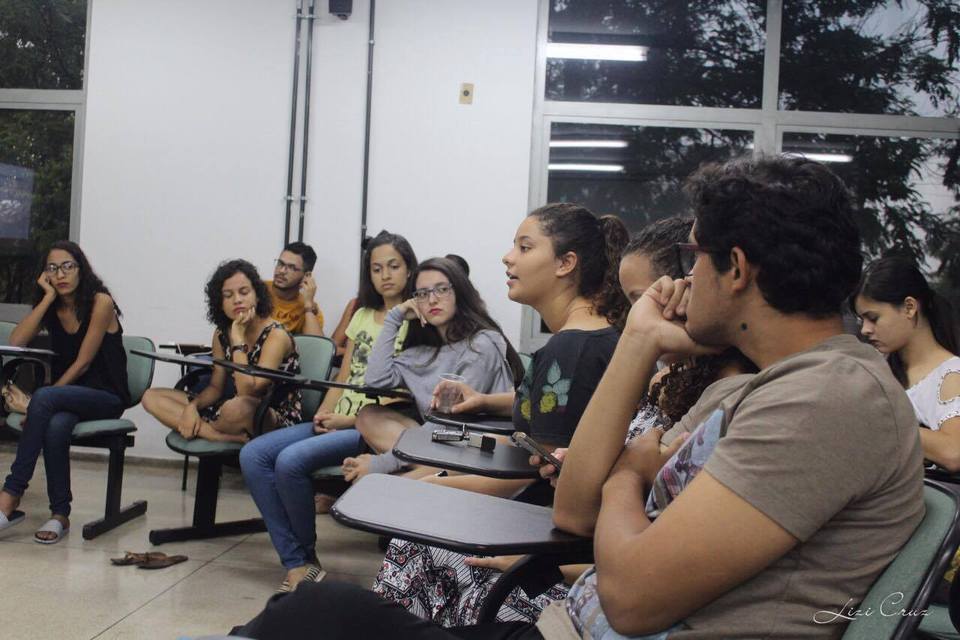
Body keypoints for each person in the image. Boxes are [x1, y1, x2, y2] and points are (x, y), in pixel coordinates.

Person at [232, 155, 924, 640]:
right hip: (564, 622)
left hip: (589, 625)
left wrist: (629, 470)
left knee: (307, 618)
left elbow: (632, 596)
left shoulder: (829, 398)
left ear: (736, 269)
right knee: (304, 615)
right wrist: (639, 342)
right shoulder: (758, 389)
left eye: (698, 258)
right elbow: (573, 508)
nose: (685, 278)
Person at [372, 216, 755, 628]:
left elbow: (588, 516)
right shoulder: (671, 377)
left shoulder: (577, 350)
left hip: (570, 552)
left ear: (565, 263)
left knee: (412, 543)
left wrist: (620, 474)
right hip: (576, 538)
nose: (633, 315)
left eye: (524, 246)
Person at [343, 203, 628, 485]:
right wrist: (483, 400)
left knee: (412, 481)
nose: (508, 257)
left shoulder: (568, 349)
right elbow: (550, 410)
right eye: (422, 293)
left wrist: (428, 487)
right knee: (372, 419)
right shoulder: (577, 341)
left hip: (514, 496)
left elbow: (539, 477)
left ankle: (413, 476)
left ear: (565, 263)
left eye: (524, 248)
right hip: (473, 442)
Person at [238, 231, 418, 592]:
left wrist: (347, 421)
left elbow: (408, 397)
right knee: (253, 454)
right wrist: (322, 414)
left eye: (393, 267)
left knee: (290, 461)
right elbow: (344, 374)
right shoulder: (363, 314)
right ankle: (300, 562)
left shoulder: (417, 321)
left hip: (374, 428)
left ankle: (300, 562)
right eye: (376, 268)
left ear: (410, 269)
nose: (385, 275)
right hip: (338, 419)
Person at [339, 256, 524, 480]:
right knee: (367, 416)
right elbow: (375, 380)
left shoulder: (482, 343)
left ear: (459, 293)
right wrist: (395, 318)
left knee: (383, 487)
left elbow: (453, 422)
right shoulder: (419, 353)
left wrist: (383, 462)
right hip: (439, 440)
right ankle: (419, 470)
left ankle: (405, 476)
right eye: (423, 294)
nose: (432, 300)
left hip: (479, 444)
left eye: (442, 289)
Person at [0, 241, 129, 544]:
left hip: (106, 396)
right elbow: (16, 341)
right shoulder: (55, 307)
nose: (61, 274)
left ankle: (9, 496)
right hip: (66, 398)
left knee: (44, 400)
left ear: (81, 269)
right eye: (52, 268)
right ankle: (60, 514)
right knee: (56, 426)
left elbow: (83, 363)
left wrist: (36, 404)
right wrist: (46, 299)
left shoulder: (101, 302)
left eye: (68, 266)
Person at [142, 260, 301, 443]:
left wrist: (238, 340)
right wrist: (192, 407)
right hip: (229, 407)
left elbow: (247, 392)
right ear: (220, 303)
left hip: (269, 415)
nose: (237, 300)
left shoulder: (276, 336)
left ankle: (207, 430)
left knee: (236, 407)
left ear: (257, 296)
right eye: (228, 295)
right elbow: (216, 388)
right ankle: (213, 434)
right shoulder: (221, 333)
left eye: (244, 292)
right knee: (151, 396)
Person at [853, 255, 960, 470]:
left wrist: (877, 424)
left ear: (910, 307)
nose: (865, 330)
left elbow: (954, 452)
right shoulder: (878, 369)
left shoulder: (951, 375)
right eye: (861, 320)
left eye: (873, 318)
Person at [267, 242, 323, 336]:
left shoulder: (309, 308)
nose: (282, 271)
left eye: (292, 268)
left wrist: (308, 306)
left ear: (306, 275)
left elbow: (314, 347)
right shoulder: (257, 290)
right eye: (280, 263)